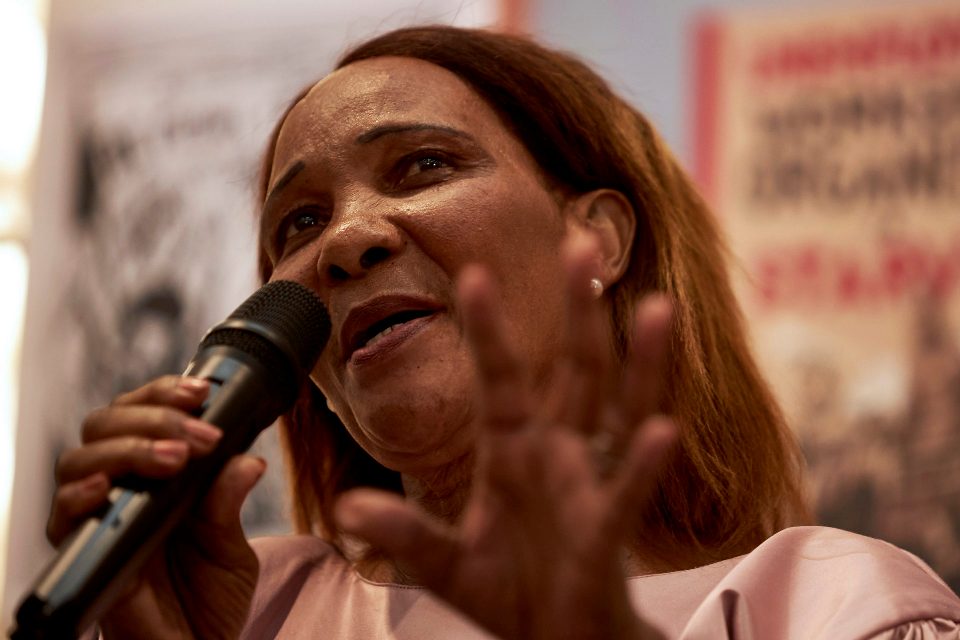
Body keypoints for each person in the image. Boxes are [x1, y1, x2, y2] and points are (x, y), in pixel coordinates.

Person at [48, 25, 960, 639]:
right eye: (300, 222)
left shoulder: (835, 610)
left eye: (422, 165)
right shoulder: (245, 612)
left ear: (597, 237)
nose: (346, 241)